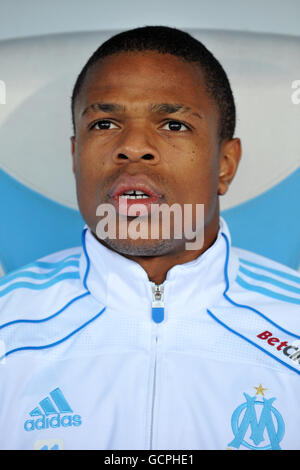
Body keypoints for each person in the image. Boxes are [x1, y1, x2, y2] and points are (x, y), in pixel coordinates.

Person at [0, 26, 299, 451]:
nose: (134, 146)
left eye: (173, 124)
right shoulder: (8, 329)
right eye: (104, 123)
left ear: (225, 166)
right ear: (74, 157)